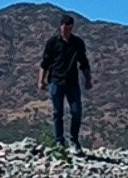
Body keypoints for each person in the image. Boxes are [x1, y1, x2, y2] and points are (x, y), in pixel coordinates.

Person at [37, 14, 92, 151]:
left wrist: (88, 80)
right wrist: (41, 81)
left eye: (69, 28)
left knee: (76, 112)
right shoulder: (52, 43)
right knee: (58, 113)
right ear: (60, 27)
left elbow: (84, 63)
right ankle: (59, 141)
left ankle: (74, 140)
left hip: (72, 83)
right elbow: (45, 63)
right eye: (64, 28)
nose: (66, 30)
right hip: (56, 81)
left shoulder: (78, 43)